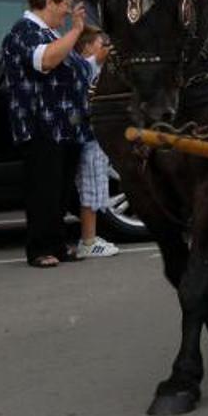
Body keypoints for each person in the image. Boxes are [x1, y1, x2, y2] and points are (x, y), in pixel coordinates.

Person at [1, 0, 93, 267]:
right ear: (49, 1)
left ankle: (57, 246)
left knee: (60, 190)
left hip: (65, 127)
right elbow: (46, 61)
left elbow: (77, 68)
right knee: (43, 189)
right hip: (41, 125)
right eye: (65, 5)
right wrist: (77, 30)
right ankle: (40, 250)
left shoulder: (52, 34)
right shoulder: (24, 31)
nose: (67, 12)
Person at [73, 27, 120, 259]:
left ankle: (92, 237)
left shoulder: (95, 68)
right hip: (88, 137)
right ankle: (88, 241)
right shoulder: (84, 66)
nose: (106, 48)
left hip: (97, 136)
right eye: (102, 44)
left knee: (98, 185)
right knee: (90, 187)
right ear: (88, 47)